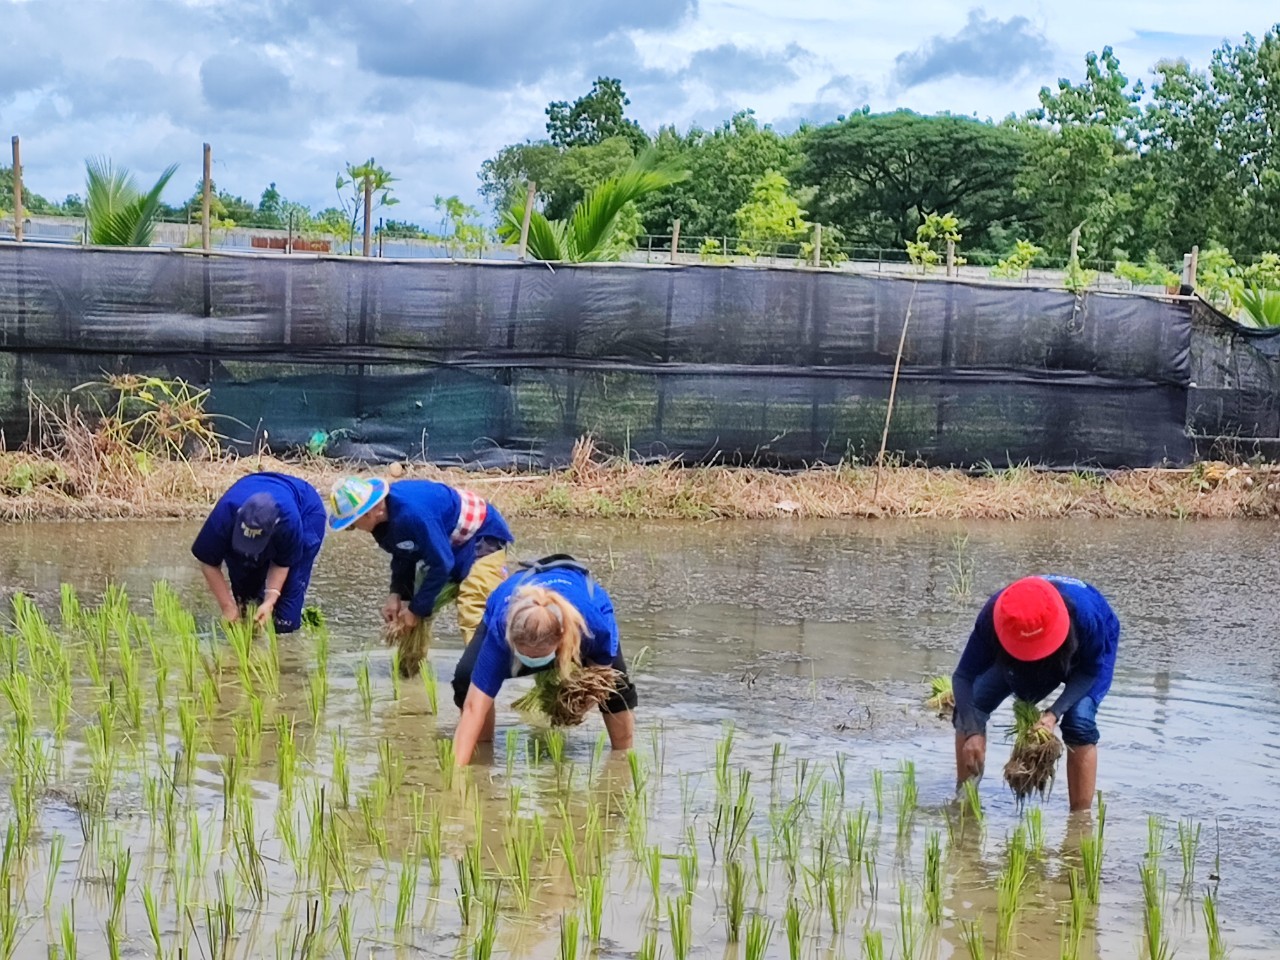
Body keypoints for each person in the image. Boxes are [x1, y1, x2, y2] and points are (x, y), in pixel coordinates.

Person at [952, 575, 1119, 812]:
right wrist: (972, 731)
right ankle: (964, 802)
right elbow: (963, 677)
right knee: (971, 707)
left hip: (1080, 655)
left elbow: (1089, 671)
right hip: (1015, 648)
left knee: (1079, 721)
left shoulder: (1087, 616)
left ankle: (1080, 820)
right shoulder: (995, 616)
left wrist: (1053, 714)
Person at [452, 556, 637, 766]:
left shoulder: (592, 627)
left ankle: (624, 758)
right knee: (466, 678)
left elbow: (599, 681)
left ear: (561, 639)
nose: (531, 660)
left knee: (616, 689)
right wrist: (455, 774)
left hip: (582, 610)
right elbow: (473, 707)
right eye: (526, 655)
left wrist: (578, 704)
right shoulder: (501, 631)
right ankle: (484, 749)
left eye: (538, 655)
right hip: (511, 601)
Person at [327, 476, 514, 673]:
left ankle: (482, 677)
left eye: (354, 523)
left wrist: (416, 610)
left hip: (481, 535)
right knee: (410, 611)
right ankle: (408, 671)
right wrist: (399, 596)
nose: (354, 529)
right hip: (447, 542)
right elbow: (404, 553)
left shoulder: (413, 515)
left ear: (373, 511)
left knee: (472, 604)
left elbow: (442, 564)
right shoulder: (382, 521)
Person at [191, 472, 326, 633]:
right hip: (252, 491)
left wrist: (270, 600)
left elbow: (283, 562)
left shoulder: (288, 523)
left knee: (285, 616)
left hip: (306, 512)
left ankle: (285, 648)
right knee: (246, 606)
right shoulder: (223, 517)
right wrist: (227, 606)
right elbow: (208, 563)